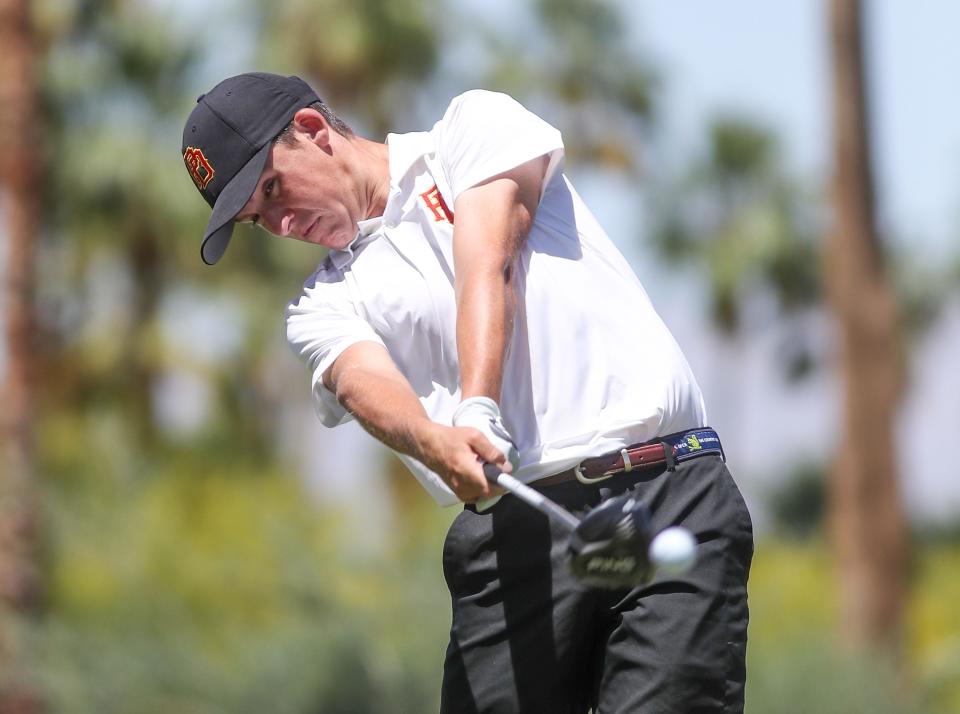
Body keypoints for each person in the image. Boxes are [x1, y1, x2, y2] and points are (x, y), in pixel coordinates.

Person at [181, 72, 754, 713]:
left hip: (664, 490)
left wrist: (475, 406)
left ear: (314, 132)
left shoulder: (470, 129)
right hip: (514, 539)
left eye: (273, 189)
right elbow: (361, 379)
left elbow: (489, 260)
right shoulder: (320, 305)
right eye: (262, 220)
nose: (283, 223)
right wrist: (434, 440)